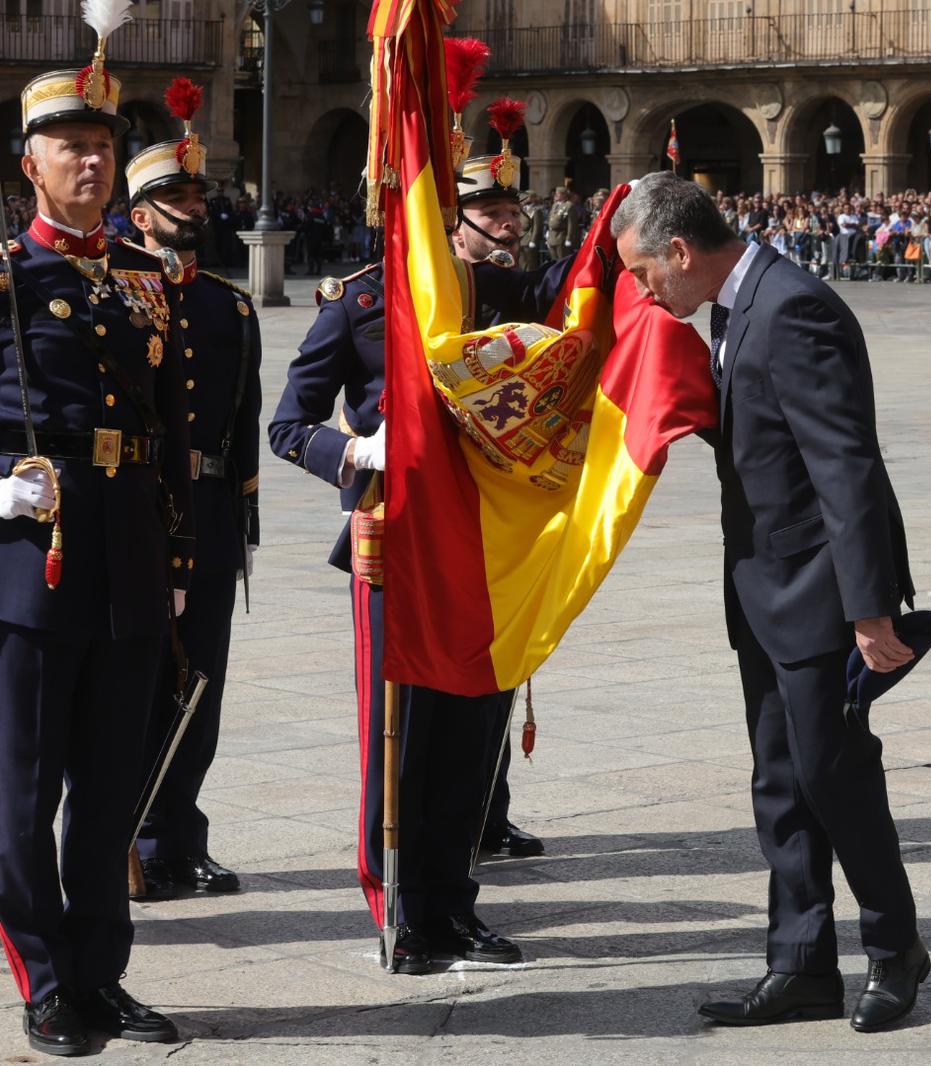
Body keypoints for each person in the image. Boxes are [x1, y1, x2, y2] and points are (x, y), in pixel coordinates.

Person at [612, 172, 929, 1033]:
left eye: (643, 273)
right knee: (781, 783)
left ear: (680, 252)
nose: (642, 291)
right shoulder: (734, 307)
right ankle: (800, 963)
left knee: (835, 775)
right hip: (764, 585)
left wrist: (869, 609)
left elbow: (845, 465)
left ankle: (896, 947)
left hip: (818, 589)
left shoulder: (793, 308)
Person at [268, 152, 565, 974]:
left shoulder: (513, 295)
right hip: (394, 537)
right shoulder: (361, 299)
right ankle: (400, 905)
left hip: (486, 539)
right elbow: (289, 426)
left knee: (473, 732)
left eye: (511, 206)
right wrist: (360, 447)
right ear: (446, 216)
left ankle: (453, 903)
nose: (504, 220)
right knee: (400, 736)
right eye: (487, 207)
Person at [0, 43, 196, 1052]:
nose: (89, 163)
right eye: (68, 146)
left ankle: (100, 973)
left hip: (124, 551)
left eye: (101, 147)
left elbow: (167, 429)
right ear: (29, 161)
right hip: (34, 556)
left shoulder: (146, 278)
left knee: (113, 785)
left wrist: (177, 566)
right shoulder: (8, 272)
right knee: (26, 789)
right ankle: (43, 980)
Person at [123, 81, 262, 900]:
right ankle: (130, 836)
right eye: (174, 196)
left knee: (199, 683)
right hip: (138, 512)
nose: (193, 206)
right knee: (134, 683)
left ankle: (181, 835)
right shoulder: (116, 293)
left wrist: (242, 515)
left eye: (197, 192)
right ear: (140, 213)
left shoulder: (228, 307)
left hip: (208, 515)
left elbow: (240, 422)